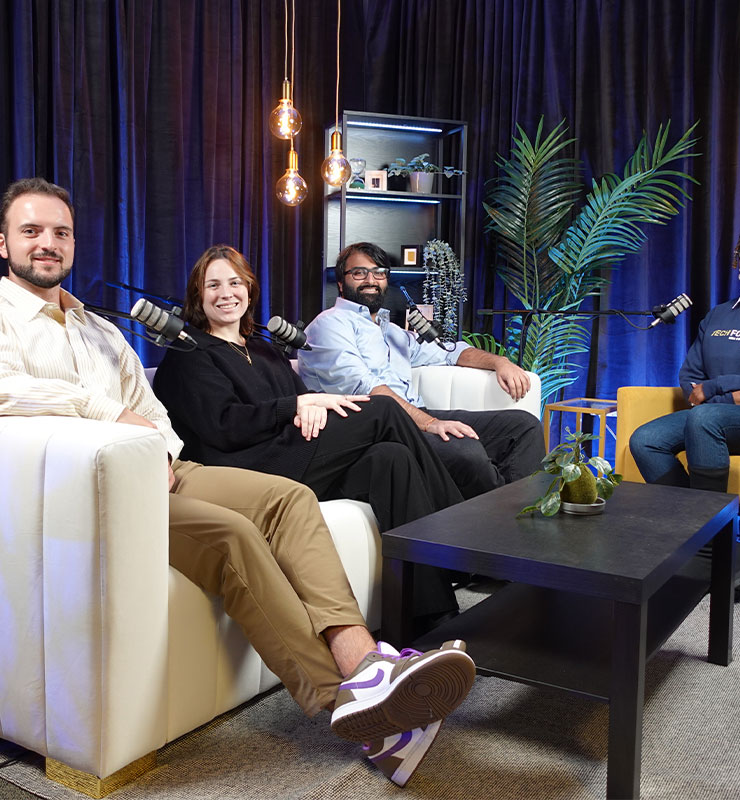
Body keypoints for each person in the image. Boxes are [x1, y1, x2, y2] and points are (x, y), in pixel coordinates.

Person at [0, 178, 476, 787]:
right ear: (6, 242)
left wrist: (162, 450)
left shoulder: (98, 328)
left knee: (288, 500)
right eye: (32, 232)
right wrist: (109, 416)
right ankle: (354, 709)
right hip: (83, 495)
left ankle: (366, 665)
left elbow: (149, 405)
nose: (48, 244)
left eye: (60, 232)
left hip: (161, 469)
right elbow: (18, 391)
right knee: (233, 534)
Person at [153, 244, 466, 629]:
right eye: (213, 285)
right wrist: (295, 407)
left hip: (296, 454)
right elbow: (225, 426)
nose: (225, 293)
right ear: (198, 295)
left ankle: (429, 614)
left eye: (234, 282)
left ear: (249, 289)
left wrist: (310, 404)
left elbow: (302, 397)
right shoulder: (190, 352)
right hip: (250, 468)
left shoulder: (262, 349)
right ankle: (460, 531)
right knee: (383, 409)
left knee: (391, 458)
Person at [297, 242, 546, 500]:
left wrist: (500, 362)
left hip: (418, 415)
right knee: (466, 452)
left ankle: (514, 520)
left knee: (524, 427)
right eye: (359, 273)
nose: (371, 280)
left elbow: (450, 352)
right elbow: (367, 389)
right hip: (379, 429)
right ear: (341, 283)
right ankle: (499, 525)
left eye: (378, 272)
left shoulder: (392, 332)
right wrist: (431, 424)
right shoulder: (329, 324)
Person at [629, 218, 740, 589]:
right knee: (646, 440)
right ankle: (698, 539)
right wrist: (721, 397)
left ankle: (714, 550)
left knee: (706, 418)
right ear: (738, 264)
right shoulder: (720, 315)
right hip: (716, 417)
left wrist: (720, 387)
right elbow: (690, 376)